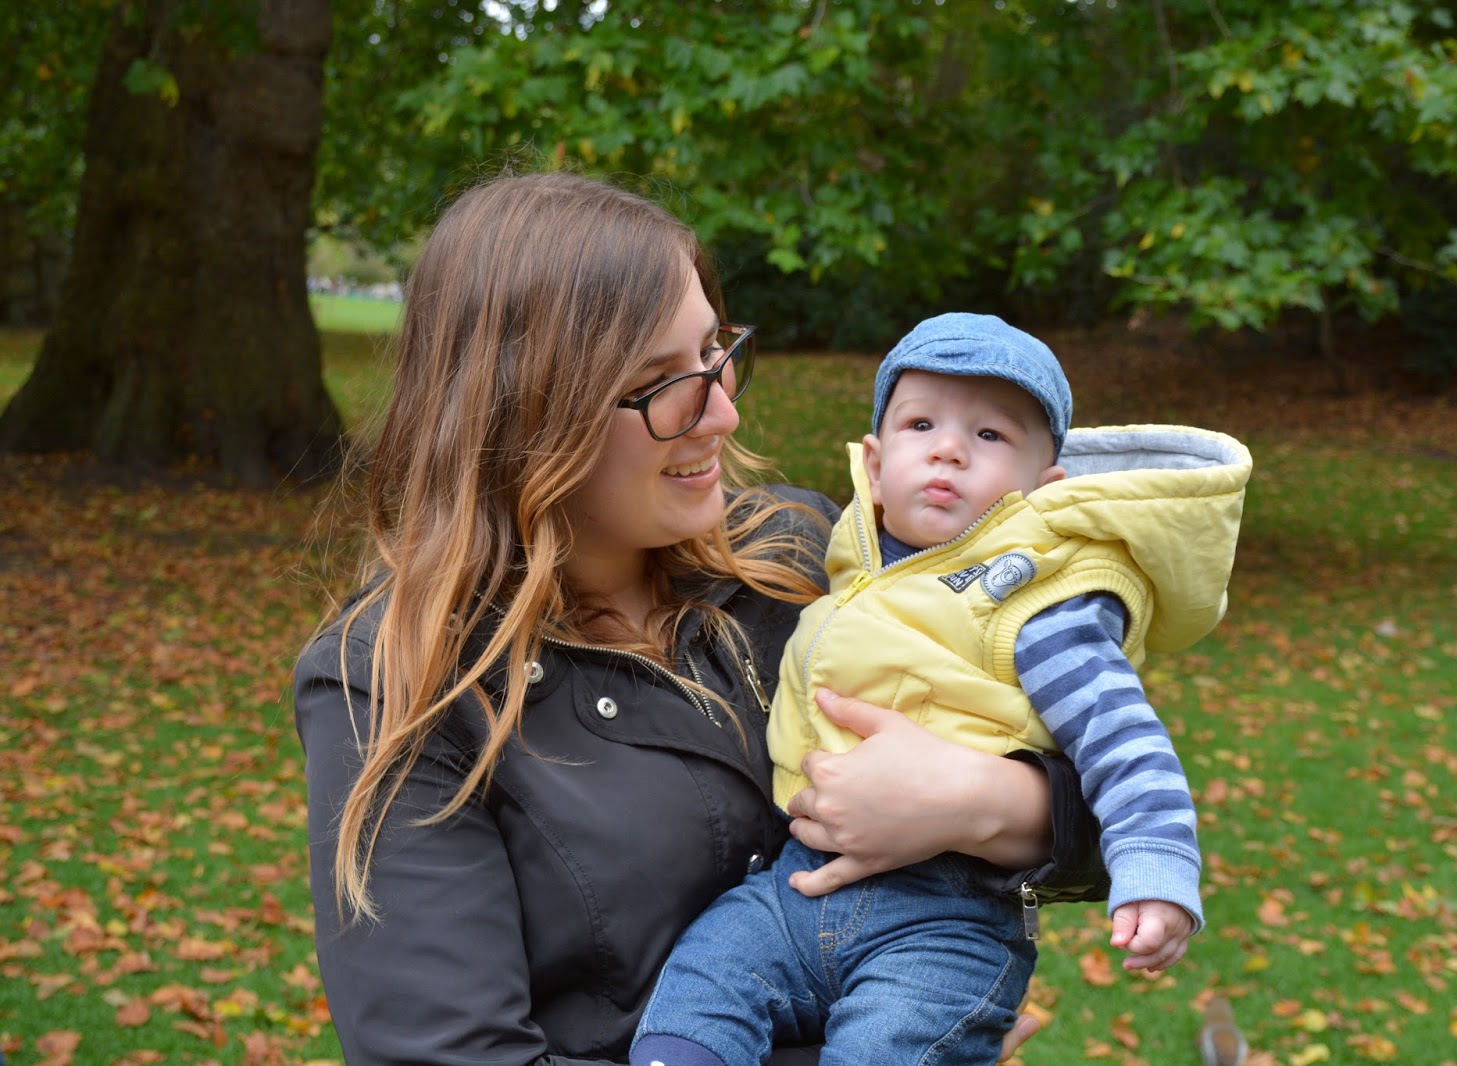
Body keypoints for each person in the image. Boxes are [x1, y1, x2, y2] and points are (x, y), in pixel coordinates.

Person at [293, 174, 1114, 1065]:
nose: (723, 412)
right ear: (526, 414)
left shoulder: (802, 555)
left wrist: (989, 804)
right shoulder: (399, 680)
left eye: (715, 355)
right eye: (662, 385)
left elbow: (1116, 791)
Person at [630, 313, 1253, 1066]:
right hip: (797, 887)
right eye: (921, 424)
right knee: (704, 980)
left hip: (947, 919)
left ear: (1043, 489)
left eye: (991, 435)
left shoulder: (1034, 601)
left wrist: (1156, 864)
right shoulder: (845, 561)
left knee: (889, 1044)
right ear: (874, 463)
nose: (949, 449)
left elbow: (1119, 736)